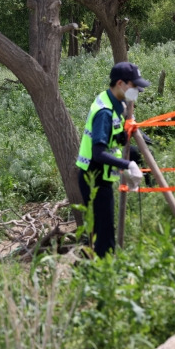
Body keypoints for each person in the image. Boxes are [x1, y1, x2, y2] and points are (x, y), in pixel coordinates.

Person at [76, 61, 149, 257]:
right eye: (134, 86)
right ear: (120, 84)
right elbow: (98, 153)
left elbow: (113, 138)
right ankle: (102, 276)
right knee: (104, 234)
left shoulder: (115, 103)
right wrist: (127, 165)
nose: (137, 90)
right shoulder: (105, 112)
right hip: (93, 178)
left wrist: (126, 134)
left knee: (104, 230)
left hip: (101, 176)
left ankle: (99, 269)